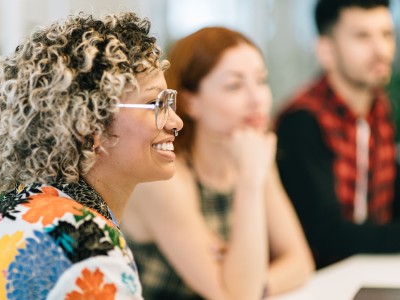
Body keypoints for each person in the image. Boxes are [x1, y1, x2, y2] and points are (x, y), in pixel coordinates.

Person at [0, 12, 183, 299]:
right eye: (155, 103)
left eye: (169, 101)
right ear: (89, 125)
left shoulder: (9, 205)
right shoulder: (89, 247)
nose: (175, 121)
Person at [122, 26, 314, 300]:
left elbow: (300, 261)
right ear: (190, 102)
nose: (256, 99)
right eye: (234, 86)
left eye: (261, 81)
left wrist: (253, 282)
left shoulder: (253, 156)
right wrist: (250, 180)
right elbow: (235, 297)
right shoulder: (164, 176)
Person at [275, 0, 400, 269]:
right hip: (317, 282)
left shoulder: (379, 110)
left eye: (387, 35)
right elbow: (325, 235)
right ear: (326, 51)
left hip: (368, 272)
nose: (381, 50)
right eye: (362, 36)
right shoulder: (302, 121)